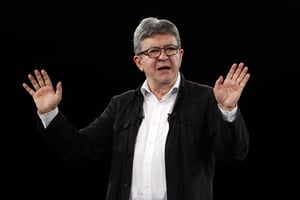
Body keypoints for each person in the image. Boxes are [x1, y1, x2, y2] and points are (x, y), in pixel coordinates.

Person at [22, 17, 250, 200]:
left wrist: (228, 110)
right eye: (153, 51)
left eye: (170, 49)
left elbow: (232, 154)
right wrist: (50, 114)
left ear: (180, 56)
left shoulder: (207, 99)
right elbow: (81, 150)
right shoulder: (121, 105)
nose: (163, 56)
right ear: (138, 62)